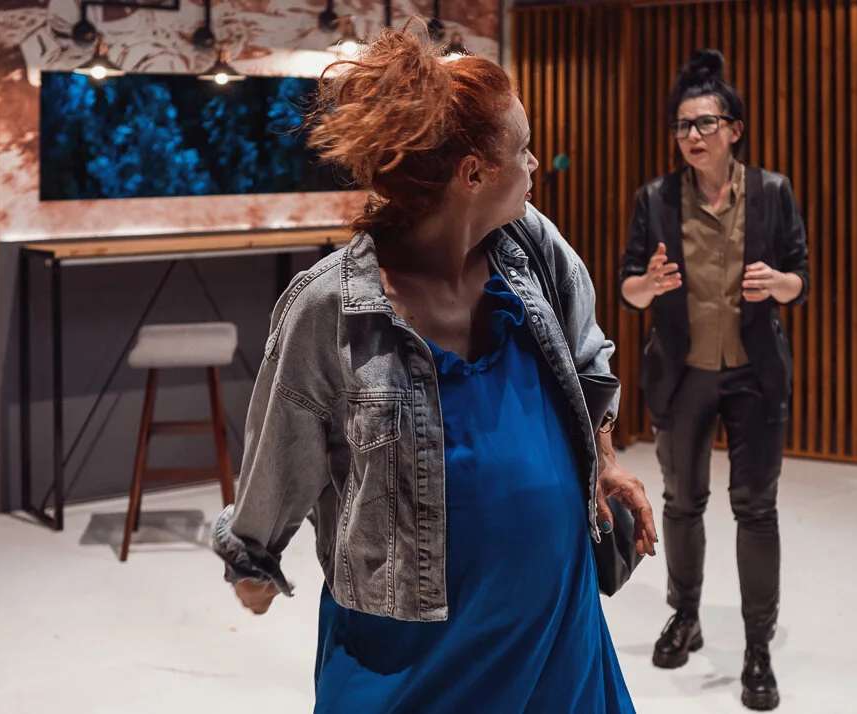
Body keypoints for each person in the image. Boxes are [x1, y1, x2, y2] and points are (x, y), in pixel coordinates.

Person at [210, 26, 657, 713]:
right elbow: (281, 450)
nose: (535, 163)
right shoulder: (331, 308)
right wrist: (253, 564)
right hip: (412, 662)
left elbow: (587, 359)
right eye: (523, 149)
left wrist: (604, 461)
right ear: (473, 174)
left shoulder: (533, 251)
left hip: (558, 640)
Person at [618, 48, 810, 712]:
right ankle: (685, 614)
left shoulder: (774, 192)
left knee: (756, 508)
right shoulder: (655, 198)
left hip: (756, 374)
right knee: (682, 503)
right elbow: (629, 288)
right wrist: (647, 285)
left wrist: (779, 283)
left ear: (734, 129)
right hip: (683, 375)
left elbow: (800, 276)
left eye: (704, 123)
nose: (692, 135)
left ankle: (757, 646)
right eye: (682, 126)